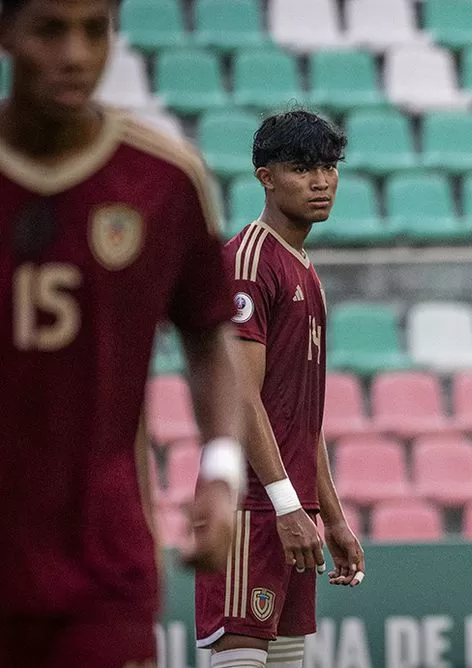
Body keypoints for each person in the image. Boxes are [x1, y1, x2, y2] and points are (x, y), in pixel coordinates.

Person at [0, 0, 244, 666]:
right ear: (6, 34)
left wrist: (221, 470)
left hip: (102, 566)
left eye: (94, 30)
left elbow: (206, 332)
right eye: (50, 30)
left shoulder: (163, 179)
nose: (75, 55)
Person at [195, 110, 365, 668]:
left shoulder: (304, 269)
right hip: (251, 508)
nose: (320, 182)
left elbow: (299, 417)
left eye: (328, 168)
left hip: (290, 510)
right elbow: (240, 397)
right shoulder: (249, 262)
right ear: (265, 177)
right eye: (301, 169)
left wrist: (331, 516)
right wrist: (288, 506)